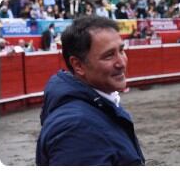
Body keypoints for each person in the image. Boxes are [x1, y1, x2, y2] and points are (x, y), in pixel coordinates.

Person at [36, 16, 143, 165]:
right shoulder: (76, 127)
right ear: (78, 65)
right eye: (109, 55)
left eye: (121, 50)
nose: (121, 63)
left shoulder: (97, 106)